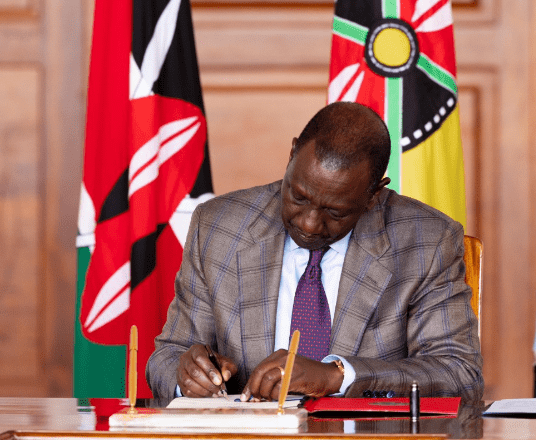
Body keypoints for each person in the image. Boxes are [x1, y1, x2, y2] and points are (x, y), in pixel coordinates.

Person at [146, 101, 483, 402]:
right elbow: (167, 356)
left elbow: (458, 373)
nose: (308, 224)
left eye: (335, 213)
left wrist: (336, 376)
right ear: (292, 154)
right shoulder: (219, 227)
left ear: (374, 195)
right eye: (299, 197)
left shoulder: (426, 241)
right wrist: (187, 375)